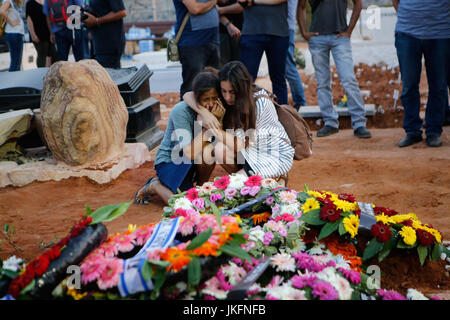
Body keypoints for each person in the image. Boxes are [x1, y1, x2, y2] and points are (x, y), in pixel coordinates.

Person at [184, 60, 294, 180]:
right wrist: (204, 113)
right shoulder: (225, 96)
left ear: (241, 88)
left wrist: (214, 128)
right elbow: (189, 95)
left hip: (270, 154)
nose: (227, 97)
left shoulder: (260, 103)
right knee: (220, 150)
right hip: (247, 151)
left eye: (232, 92)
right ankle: (252, 178)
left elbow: (241, 145)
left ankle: (276, 176)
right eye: (224, 91)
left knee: (236, 184)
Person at [134, 69, 226, 205]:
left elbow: (215, 144)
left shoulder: (218, 111)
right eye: (206, 99)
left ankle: (200, 189)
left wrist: (218, 121)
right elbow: (188, 152)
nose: (211, 104)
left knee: (209, 152)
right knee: (181, 204)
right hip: (171, 161)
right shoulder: (181, 111)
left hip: (192, 162)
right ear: (197, 98)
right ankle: (154, 185)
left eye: (214, 98)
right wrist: (207, 127)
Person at [297, 0, 372, 139]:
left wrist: (349, 31)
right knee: (322, 83)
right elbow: (300, 7)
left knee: (348, 79)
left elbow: (358, 4)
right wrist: (304, 32)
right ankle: (330, 123)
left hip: (340, 38)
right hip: (317, 39)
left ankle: (359, 123)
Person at [392, 0, 449, 147]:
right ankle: (412, 131)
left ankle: (433, 131)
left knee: (438, 86)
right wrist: (409, 18)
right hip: (407, 33)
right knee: (409, 85)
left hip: (440, 34)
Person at [238, 0, 290, 105]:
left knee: (278, 78)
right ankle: (245, 117)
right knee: (246, 80)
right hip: (251, 32)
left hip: (279, 31)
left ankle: (283, 117)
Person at [172, 0, 220, 99]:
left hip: (212, 39)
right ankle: (188, 114)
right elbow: (195, 8)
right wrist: (213, 2)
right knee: (191, 86)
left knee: (214, 83)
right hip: (192, 43)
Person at [82, 0, 126, 68]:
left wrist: (97, 21)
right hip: (98, 44)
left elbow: (121, 12)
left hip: (110, 44)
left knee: (109, 75)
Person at [285, 0, 306, 110]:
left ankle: (300, 102)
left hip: (286, 28)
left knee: (288, 67)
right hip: (284, 28)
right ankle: (299, 102)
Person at [25, 0, 57, 67]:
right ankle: (40, 74)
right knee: (42, 56)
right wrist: (33, 35)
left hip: (49, 34)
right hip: (38, 35)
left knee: (54, 55)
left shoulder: (47, 2)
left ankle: (53, 74)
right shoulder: (30, 3)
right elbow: (29, 19)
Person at [217, 0, 243, 67]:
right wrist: (228, 25)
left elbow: (241, 5)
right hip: (219, 31)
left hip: (240, 30)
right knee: (221, 66)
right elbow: (212, 8)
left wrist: (220, 10)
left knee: (238, 67)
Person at [0, 0, 24, 71]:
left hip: (17, 33)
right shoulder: (8, 1)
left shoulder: (14, 2)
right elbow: (2, 11)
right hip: (13, 33)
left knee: (17, 62)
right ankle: (13, 81)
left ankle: (16, 80)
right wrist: (12, 23)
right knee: (15, 62)